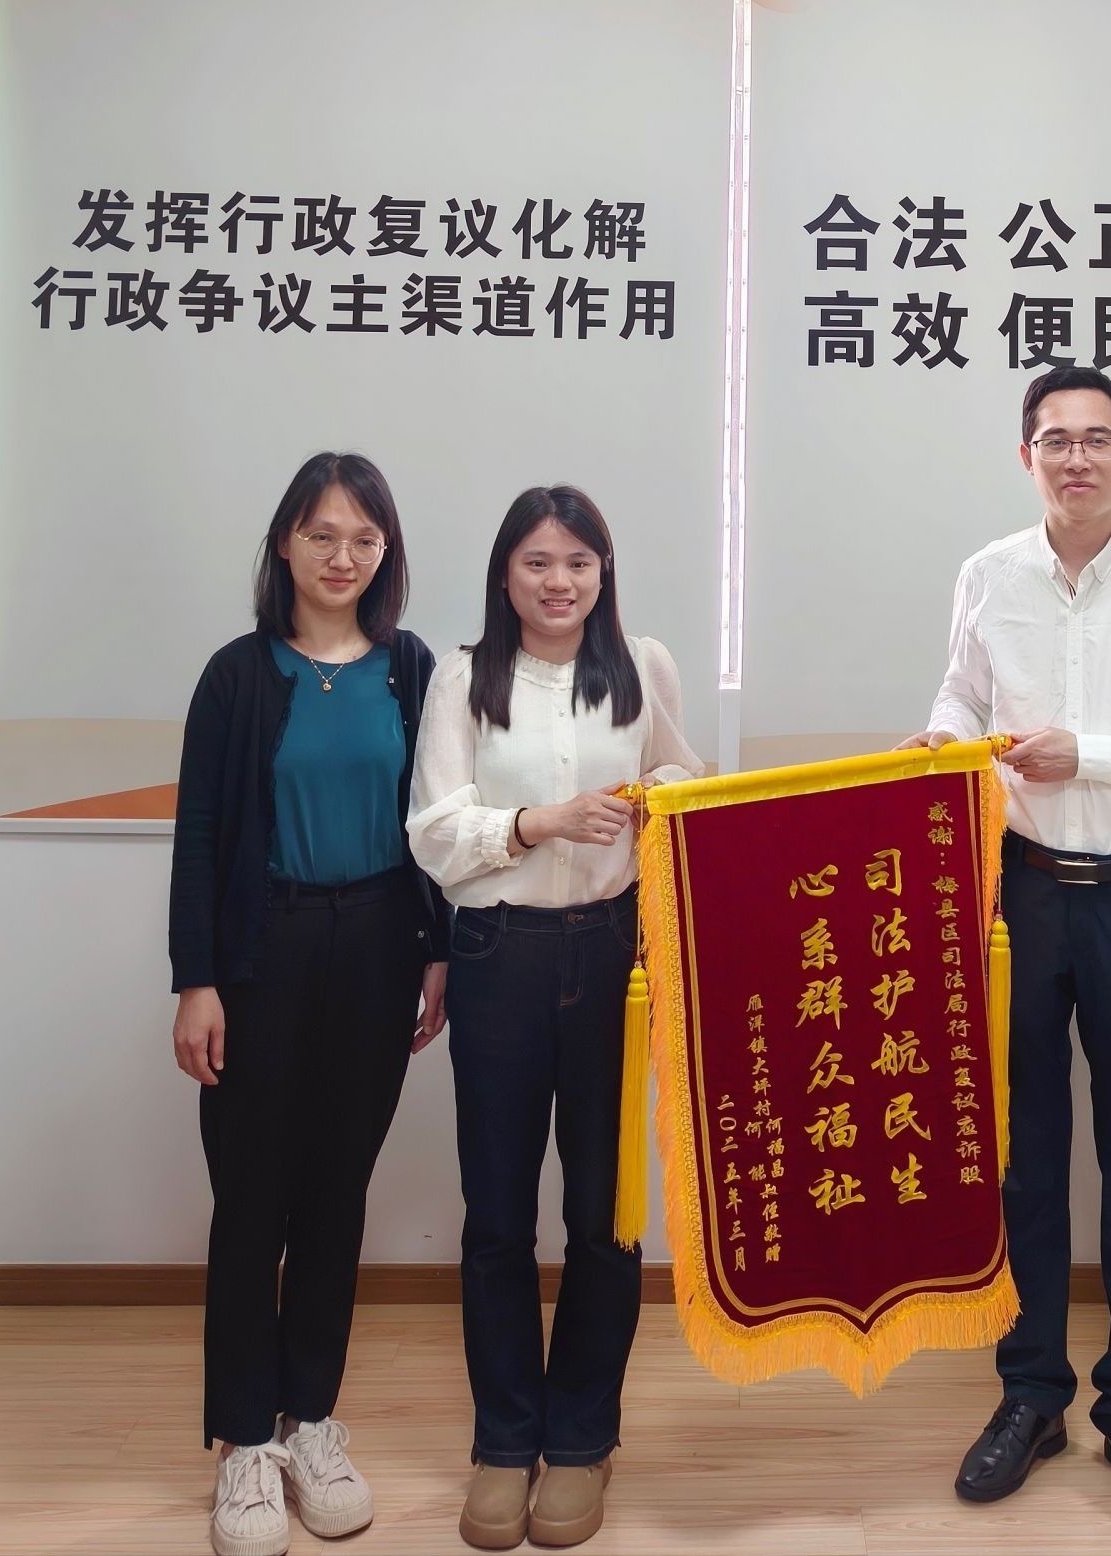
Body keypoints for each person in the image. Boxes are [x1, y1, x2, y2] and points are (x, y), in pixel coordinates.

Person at [903, 365, 1111, 1538]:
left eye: (1098, 439)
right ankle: (1032, 1392)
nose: (1077, 457)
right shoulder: (987, 574)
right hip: (1018, 895)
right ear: (1027, 457)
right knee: (1025, 1155)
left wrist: (1087, 753)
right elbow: (961, 694)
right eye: (1055, 439)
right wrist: (942, 738)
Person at [408, 485, 701, 1550]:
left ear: (603, 571)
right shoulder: (463, 677)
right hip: (498, 956)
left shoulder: (642, 665)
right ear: (505, 573)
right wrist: (538, 822)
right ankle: (504, 1440)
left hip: (615, 955)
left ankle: (580, 1438)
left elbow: (682, 770)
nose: (559, 580)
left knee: (605, 1213)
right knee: (496, 1214)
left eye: (579, 561)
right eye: (538, 561)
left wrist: (660, 794)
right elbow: (433, 831)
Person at [169, 451, 452, 1556]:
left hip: (379, 942)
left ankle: (312, 1422)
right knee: (252, 1196)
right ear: (285, 542)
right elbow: (199, 838)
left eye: (364, 539)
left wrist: (437, 950)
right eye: (323, 534)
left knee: (338, 1193)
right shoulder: (237, 676)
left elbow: (439, 816)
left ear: (387, 552)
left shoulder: (410, 667)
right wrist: (196, 978)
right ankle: (245, 1441)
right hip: (262, 949)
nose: (343, 556)